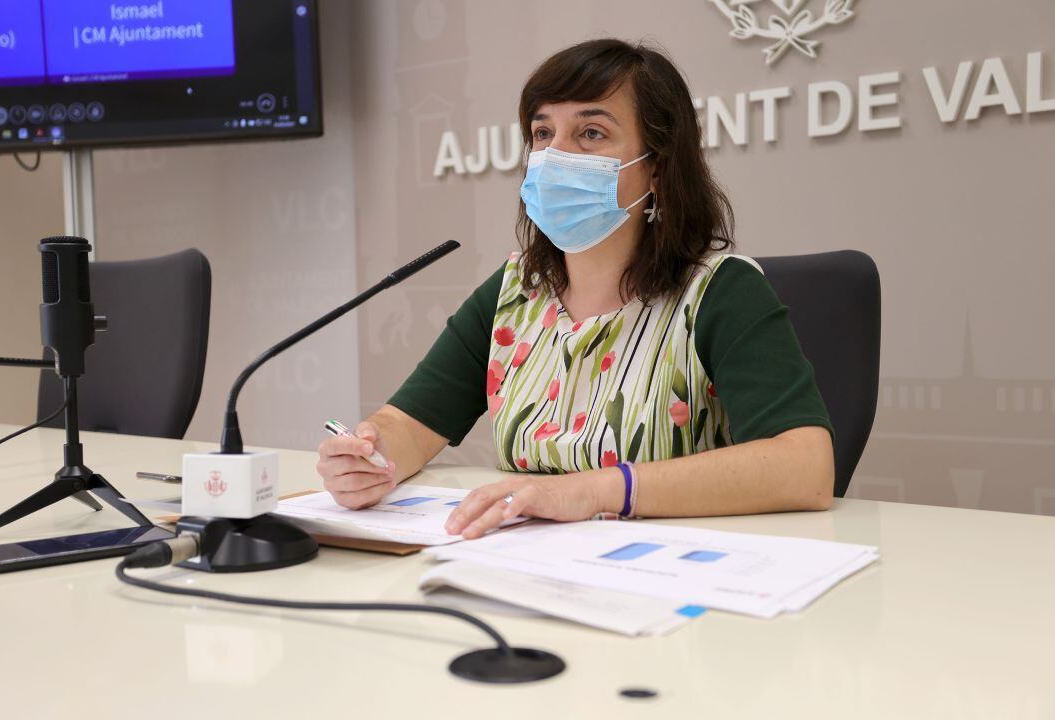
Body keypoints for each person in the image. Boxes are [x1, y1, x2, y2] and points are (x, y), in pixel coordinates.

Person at [317, 38, 834, 539]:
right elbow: (410, 424)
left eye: (590, 133)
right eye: (543, 134)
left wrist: (595, 491)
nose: (555, 154)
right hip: (528, 567)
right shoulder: (514, 291)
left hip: (671, 580)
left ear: (656, 166)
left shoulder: (722, 291)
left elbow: (806, 467)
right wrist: (371, 457)